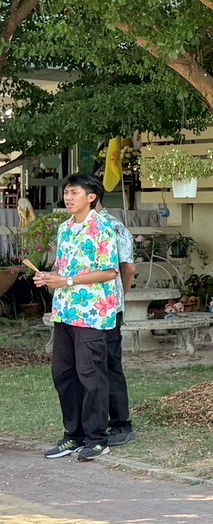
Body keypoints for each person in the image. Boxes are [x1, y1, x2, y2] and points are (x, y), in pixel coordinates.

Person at [38, 173, 121, 462]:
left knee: (91, 376)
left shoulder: (103, 228)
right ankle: (73, 436)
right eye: (66, 192)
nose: (68, 197)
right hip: (64, 312)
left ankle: (98, 439)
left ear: (91, 197)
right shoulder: (64, 228)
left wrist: (68, 281)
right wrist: (49, 278)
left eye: (74, 192)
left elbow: (110, 271)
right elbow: (64, 271)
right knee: (63, 375)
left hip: (92, 314)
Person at [99, 206, 138, 447]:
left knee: (110, 363)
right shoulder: (74, 225)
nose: (68, 198)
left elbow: (128, 267)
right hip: (83, 309)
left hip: (110, 308)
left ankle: (120, 423)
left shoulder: (113, 226)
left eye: (74, 192)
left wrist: (119, 294)